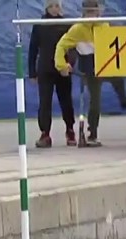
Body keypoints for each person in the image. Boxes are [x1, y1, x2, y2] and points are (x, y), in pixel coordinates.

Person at [55, 0, 105, 147]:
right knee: (95, 100)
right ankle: (92, 132)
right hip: (89, 68)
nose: (91, 15)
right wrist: (62, 65)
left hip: (106, 66)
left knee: (118, 84)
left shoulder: (105, 26)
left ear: (98, 12)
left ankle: (125, 100)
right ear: (83, 13)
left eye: (93, 12)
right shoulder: (77, 29)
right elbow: (61, 46)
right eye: (88, 12)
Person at [28, 0, 76, 148]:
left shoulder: (66, 24)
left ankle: (70, 130)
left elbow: (73, 48)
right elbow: (33, 49)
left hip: (62, 69)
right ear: (47, 8)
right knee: (45, 102)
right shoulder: (40, 25)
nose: (55, 9)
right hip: (45, 69)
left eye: (57, 6)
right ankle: (45, 133)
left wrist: (69, 64)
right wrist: (32, 72)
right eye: (52, 6)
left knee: (66, 101)